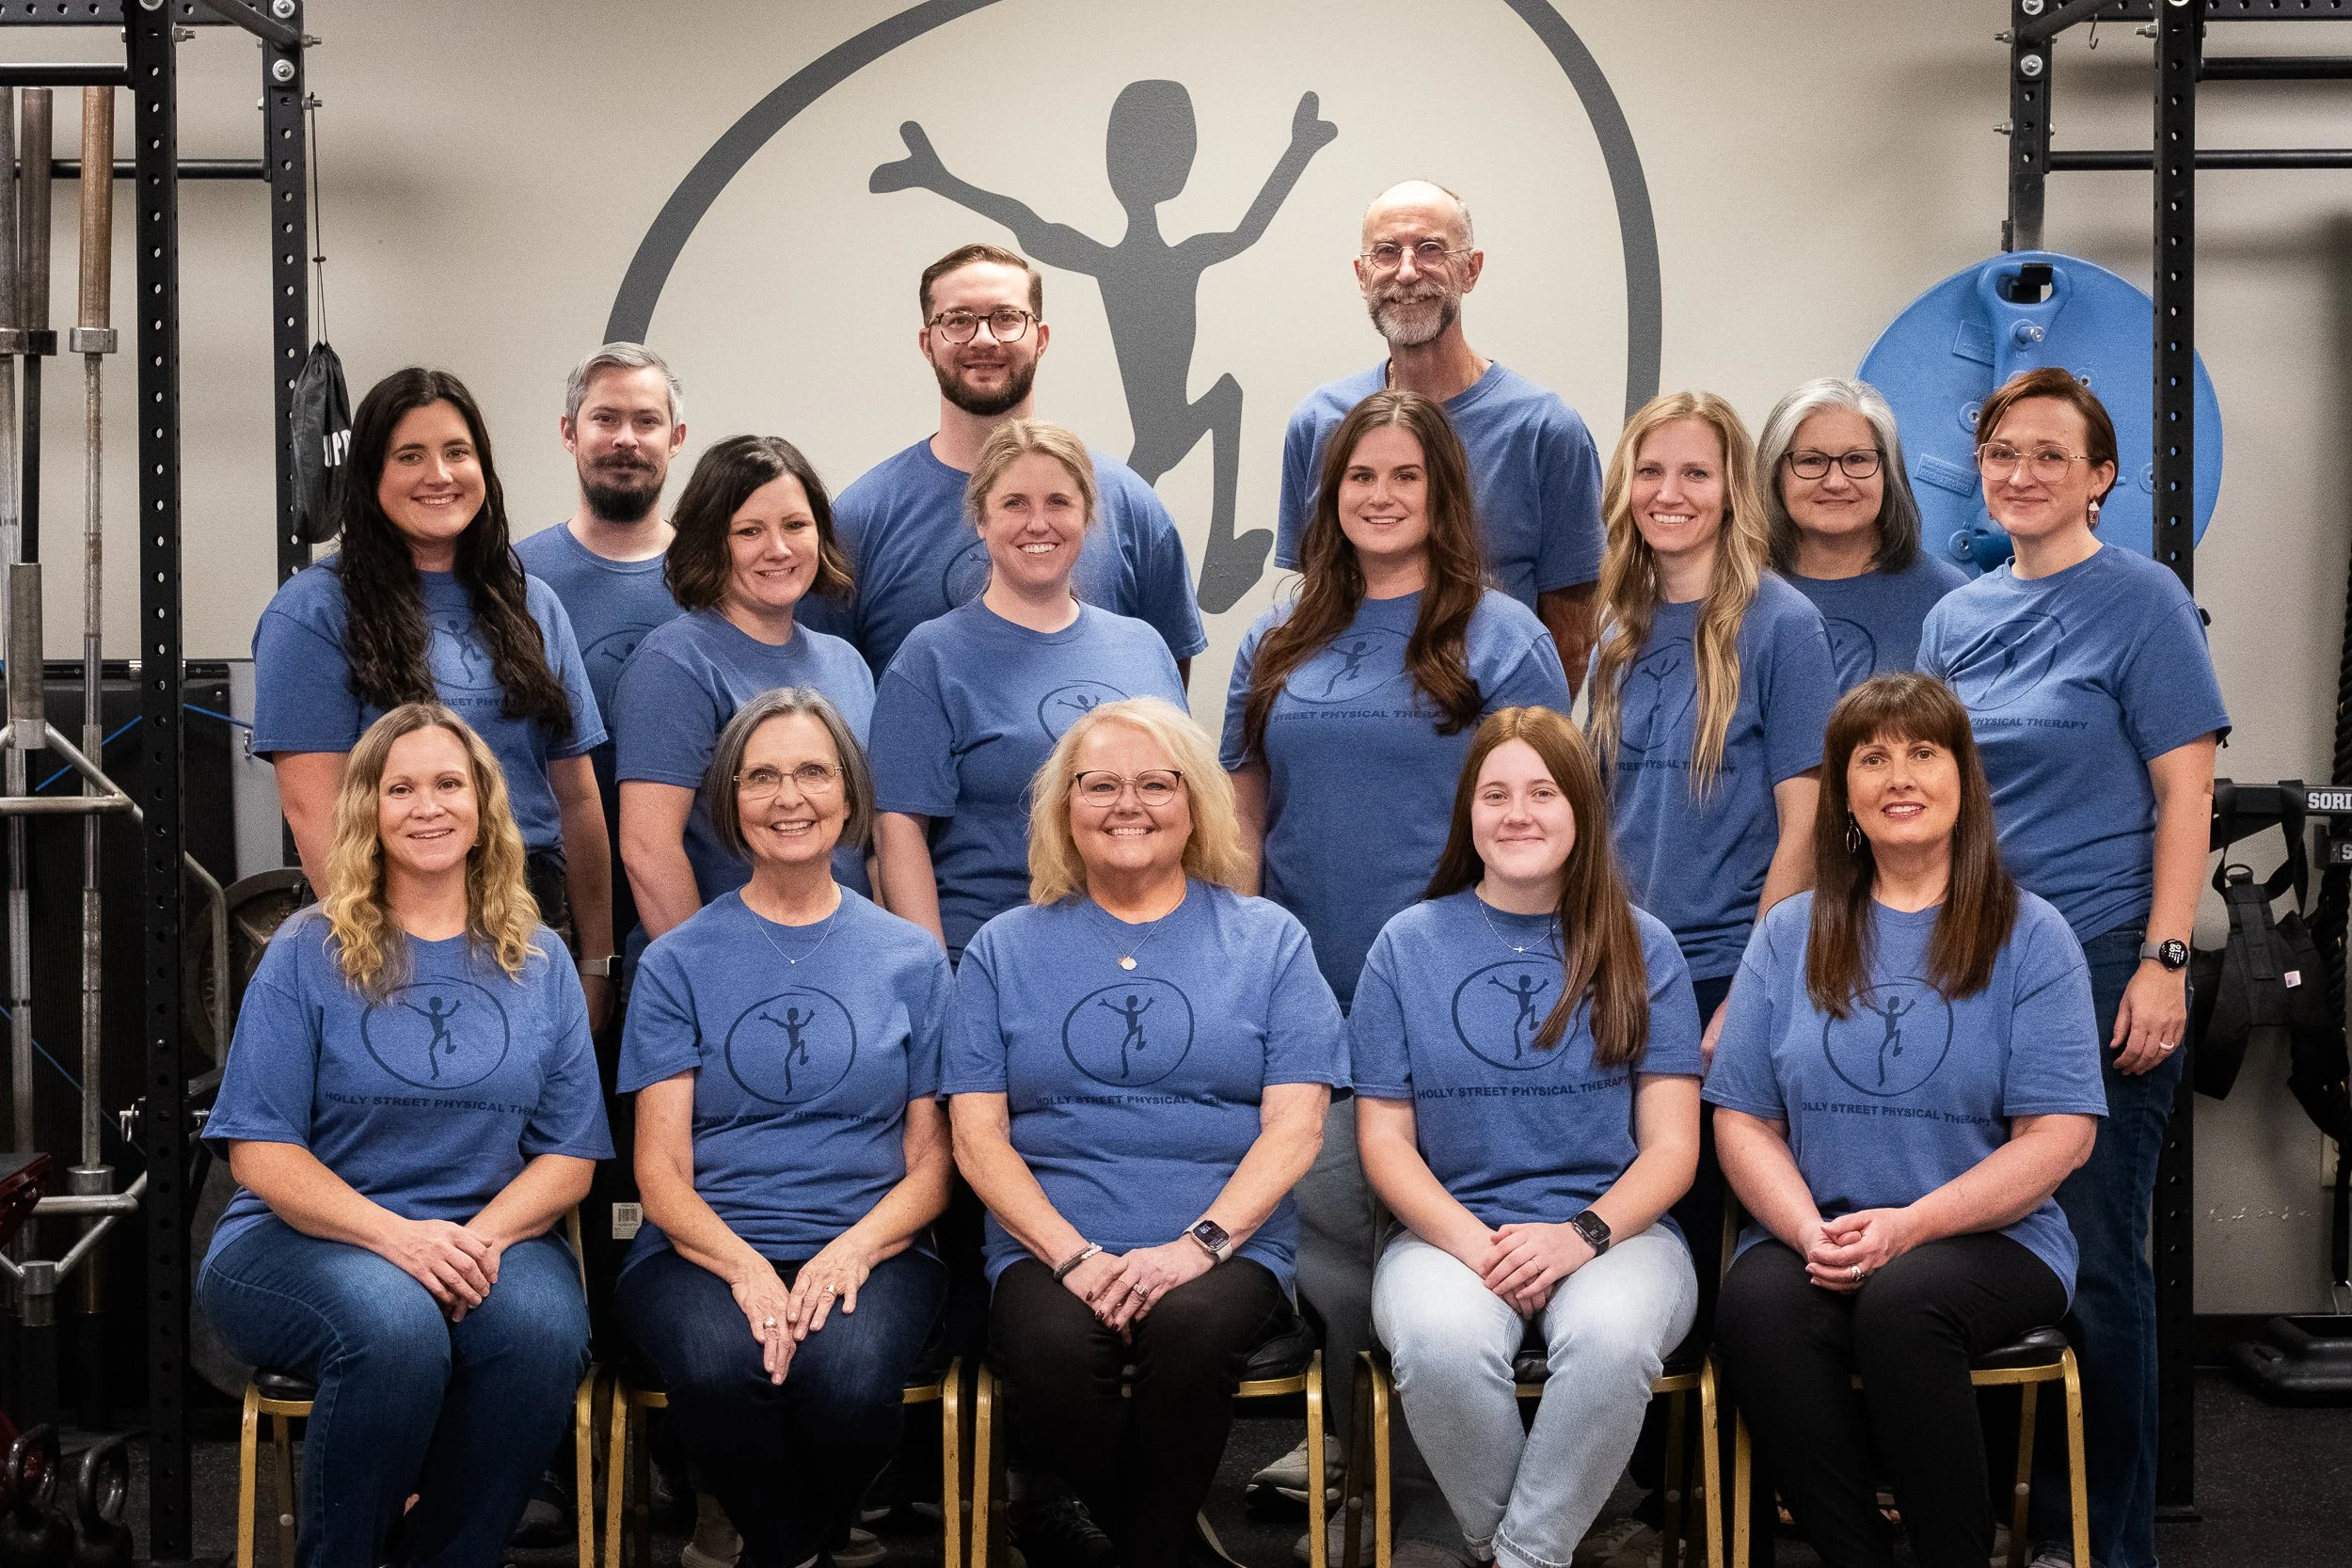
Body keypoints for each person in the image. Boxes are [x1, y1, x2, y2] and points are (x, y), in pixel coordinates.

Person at [1226, 387, 1571, 1553]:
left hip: (1458, 993)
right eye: (1358, 477)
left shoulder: (1502, 633)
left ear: (1441, 496)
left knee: (1440, 1236)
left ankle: (1459, 1505)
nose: (1378, 496)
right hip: (1306, 987)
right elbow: (1242, 811)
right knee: (1328, 1237)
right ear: (1328, 497)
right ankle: (1357, 1454)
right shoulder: (1277, 639)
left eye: (1403, 478)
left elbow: (1549, 815)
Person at [1916, 367, 2227, 1568]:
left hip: (2102, 956)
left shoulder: (2143, 601)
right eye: (2002, 451)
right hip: (1975, 961)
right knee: (1989, 1250)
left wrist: (2162, 958)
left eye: (2051, 453)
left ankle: (2094, 1539)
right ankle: (1998, 1513)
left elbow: (2184, 794)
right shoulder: (1955, 616)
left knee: (2094, 1255)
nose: (2021, 472)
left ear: (2101, 477)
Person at [196, 704, 612, 1568]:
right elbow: (260, 1152)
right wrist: (400, 1239)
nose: (429, 806)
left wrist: (474, 1240)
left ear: (483, 805)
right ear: (369, 812)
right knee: (395, 1327)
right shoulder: (305, 951)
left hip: (484, 1231)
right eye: (402, 787)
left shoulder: (537, 961)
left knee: (541, 1334)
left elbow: (569, 1156)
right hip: (303, 1239)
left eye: (449, 784)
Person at [1708, 673, 2106, 1568]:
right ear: (1843, 792)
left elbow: (2061, 1135)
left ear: (1964, 780)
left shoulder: (2032, 935)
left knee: (1902, 1301)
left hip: (1990, 1241)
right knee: (1755, 1300)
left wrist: (1911, 1227)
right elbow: (1742, 1119)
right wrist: (1809, 1230)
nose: (1901, 775)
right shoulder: (1788, 934)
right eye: (1873, 756)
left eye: (1925, 752)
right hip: (1824, 1227)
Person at [945, 696, 1347, 1568]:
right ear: (1064, 810)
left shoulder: (1269, 940)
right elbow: (977, 1138)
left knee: (1190, 1332)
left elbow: (1298, 1125)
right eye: (1100, 785)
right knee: (1048, 1354)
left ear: (1195, 801)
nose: (1128, 804)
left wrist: (1196, 1246)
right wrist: (1073, 1255)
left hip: (1224, 1245)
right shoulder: (1001, 949)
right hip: (1049, 1245)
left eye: (1155, 784)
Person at [1583, 388, 1839, 1563]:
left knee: (1700, 1227)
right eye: (1651, 472)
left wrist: (1752, 983)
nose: (1671, 494)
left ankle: (1701, 1501)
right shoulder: (1616, 624)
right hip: (1616, 967)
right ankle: (1637, 1492)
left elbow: (1804, 820)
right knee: (1627, 1223)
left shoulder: (1778, 623)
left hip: (1728, 966)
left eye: (1695, 473)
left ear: (1732, 489)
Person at [1355, 706, 1701, 1568]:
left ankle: (1517, 1555)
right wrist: (1477, 1245)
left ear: (1580, 809)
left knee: (1613, 1344)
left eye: (1543, 792)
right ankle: (1530, 1550)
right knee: (1440, 1344)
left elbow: (1672, 1148)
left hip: (1617, 1233)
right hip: (1449, 1235)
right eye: (1495, 792)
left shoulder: (1641, 944)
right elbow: (1386, 1141)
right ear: (1467, 812)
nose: (1519, 813)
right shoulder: (1406, 945)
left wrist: (1577, 1235)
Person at [613, 689, 952, 1568]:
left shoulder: (913, 957)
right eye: (761, 776)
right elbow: (659, 1168)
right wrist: (746, 1267)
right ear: (729, 800)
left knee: (844, 1379)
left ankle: (782, 1542)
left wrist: (853, 1251)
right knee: (731, 1367)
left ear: (851, 796)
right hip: (700, 1246)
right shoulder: (677, 959)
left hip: (873, 1244)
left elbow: (931, 1166)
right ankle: (799, 1547)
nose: (788, 797)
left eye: (812, 772)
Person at [253, 367, 616, 1027]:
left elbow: (577, 797)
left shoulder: (532, 602)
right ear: (371, 474)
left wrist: (596, 958)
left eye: (457, 452)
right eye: (410, 456)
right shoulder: (312, 613)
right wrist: (391, 957)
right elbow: (316, 812)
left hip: (536, 914)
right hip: (393, 914)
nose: (439, 475)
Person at [799, 243, 1205, 682]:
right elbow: (824, 696)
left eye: (1007, 318)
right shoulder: (859, 520)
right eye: (958, 321)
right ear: (927, 344)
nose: (984, 338)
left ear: (1042, 338)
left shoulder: (1130, 506)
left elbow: (1166, 688)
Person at [869, 419, 1188, 960]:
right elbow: (897, 833)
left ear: (1088, 515)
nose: (1038, 523)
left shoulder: (1144, 646)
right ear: (980, 519)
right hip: (987, 957)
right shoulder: (930, 658)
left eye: (1059, 502)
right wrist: (935, 980)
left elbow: (1183, 808)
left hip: (1141, 952)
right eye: (1014, 503)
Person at [1275, 181, 1604, 687]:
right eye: (1387, 253)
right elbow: (1317, 599)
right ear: (1362, 275)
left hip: (1484, 743)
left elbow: (1572, 637)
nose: (1407, 271)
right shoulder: (1320, 422)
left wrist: (1514, 747)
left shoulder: (1545, 430)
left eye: (1430, 249)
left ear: (1470, 270)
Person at [614, 435, 875, 943]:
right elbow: (648, 850)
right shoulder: (674, 665)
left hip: (839, 957)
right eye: (749, 531)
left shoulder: (848, 665)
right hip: (725, 965)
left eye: (796, 526)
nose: (777, 549)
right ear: (712, 542)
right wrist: (701, 980)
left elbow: (869, 842)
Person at [515, 342, 690, 956]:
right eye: (605, 419)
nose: (626, 439)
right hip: (546, 904)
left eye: (646, 421)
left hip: (686, 898)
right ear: (569, 432)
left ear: (677, 437)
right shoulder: (512, 580)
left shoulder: (720, 575)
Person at [1756, 376, 1965, 689]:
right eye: (1811, 461)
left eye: (1857, 459)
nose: (1836, 482)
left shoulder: (1946, 597)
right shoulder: (1737, 593)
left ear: (1888, 472)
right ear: (1775, 474)